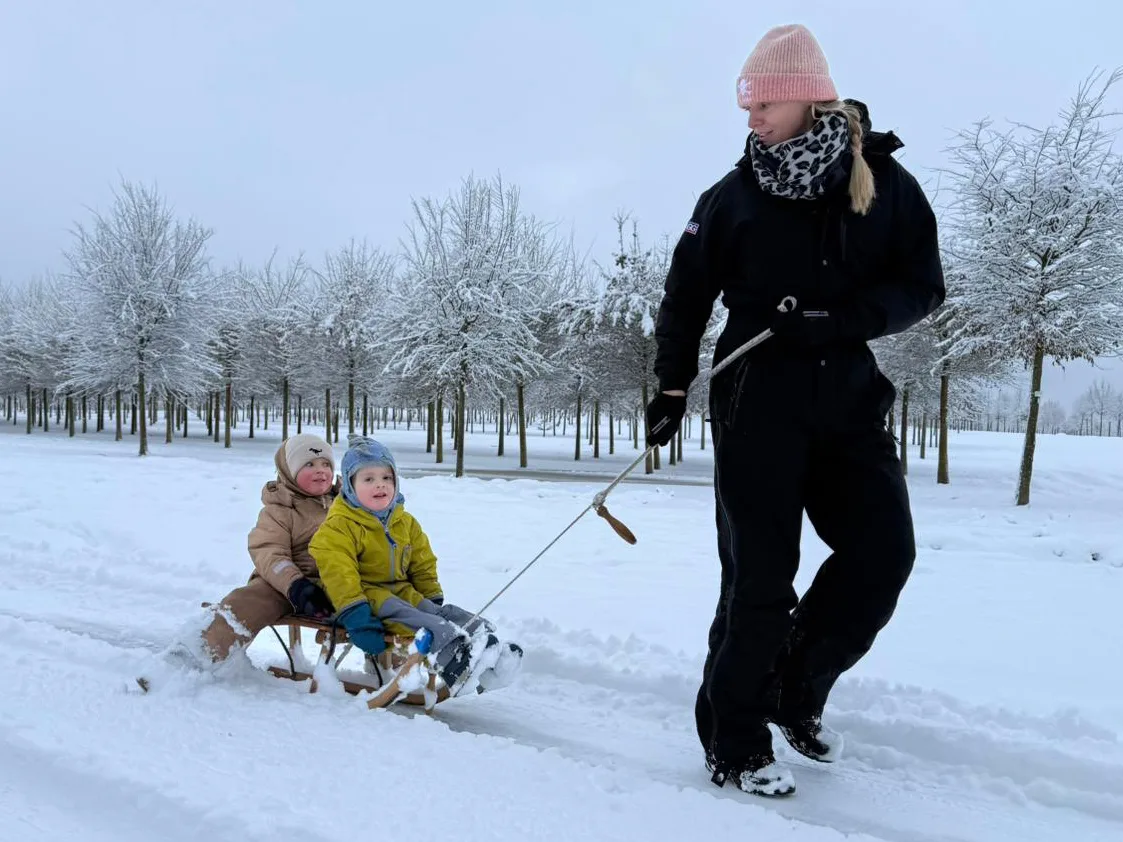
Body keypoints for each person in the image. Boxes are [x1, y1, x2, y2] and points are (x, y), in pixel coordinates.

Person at [645, 23, 945, 797]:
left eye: (762, 104)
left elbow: (922, 285)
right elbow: (685, 295)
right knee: (759, 579)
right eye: (745, 106)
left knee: (882, 554)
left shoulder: (883, 184)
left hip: (848, 400)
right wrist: (671, 386)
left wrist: (840, 320)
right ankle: (734, 739)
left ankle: (792, 686)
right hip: (755, 402)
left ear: (809, 98)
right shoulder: (731, 197)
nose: (750, 118)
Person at [309, 435, 522, 696]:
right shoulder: (338, 527)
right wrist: (357, 617)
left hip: (399, 591)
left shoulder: (404, 522)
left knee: (436, 611)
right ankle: (455, 661)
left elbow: (422, 562)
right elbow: (339, 575)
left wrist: (430, 595)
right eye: (369, 479)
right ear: (350, 487)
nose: (380, 484)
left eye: (387, 477)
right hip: (362, 599)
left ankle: (487, 649)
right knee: (416, 617)